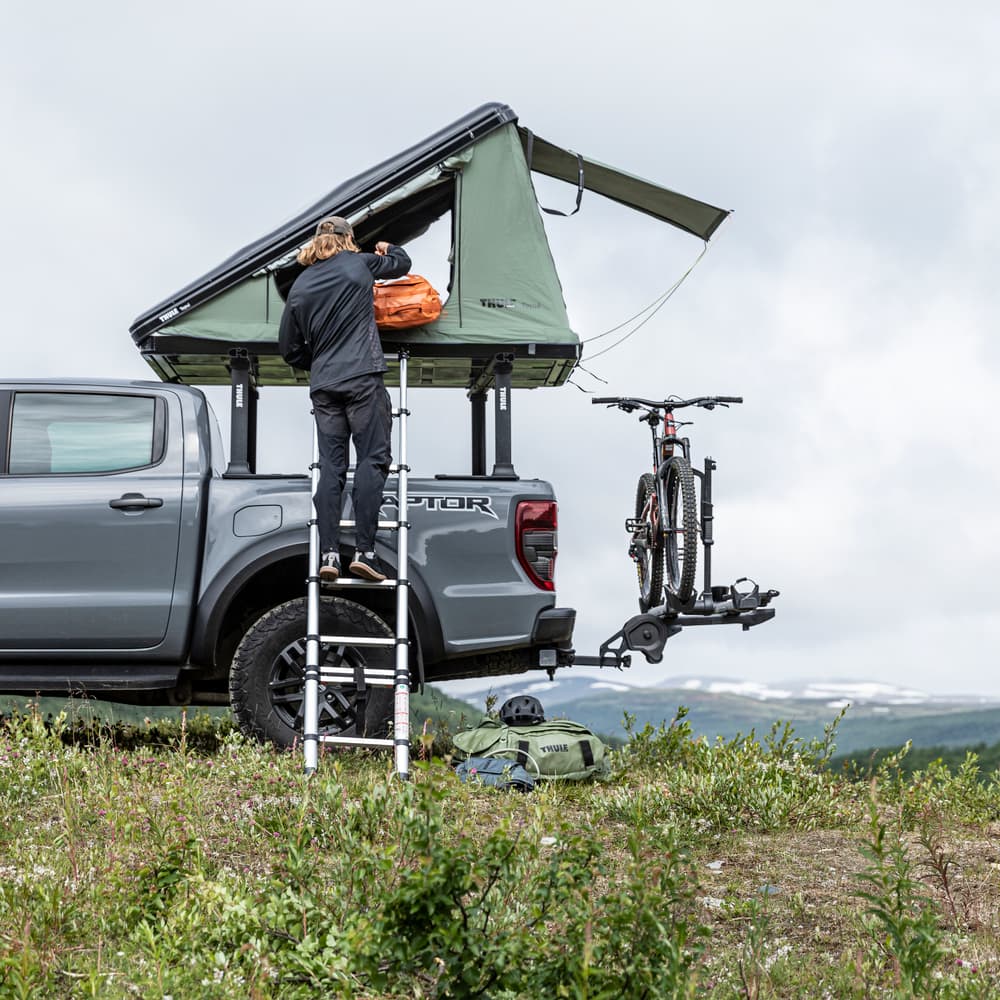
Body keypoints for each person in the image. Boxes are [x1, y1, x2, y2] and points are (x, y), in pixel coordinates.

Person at [279, 216, 411, 582]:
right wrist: (388, 249)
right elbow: (401, 265)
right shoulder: (359, 263)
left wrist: (320, 363)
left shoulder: (301, 285)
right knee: (372, 459)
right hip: (362, 379)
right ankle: (366, 552)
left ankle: (329, 555)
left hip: (324, 386)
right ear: (348, 238)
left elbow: (289, 349)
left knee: (331, 468)